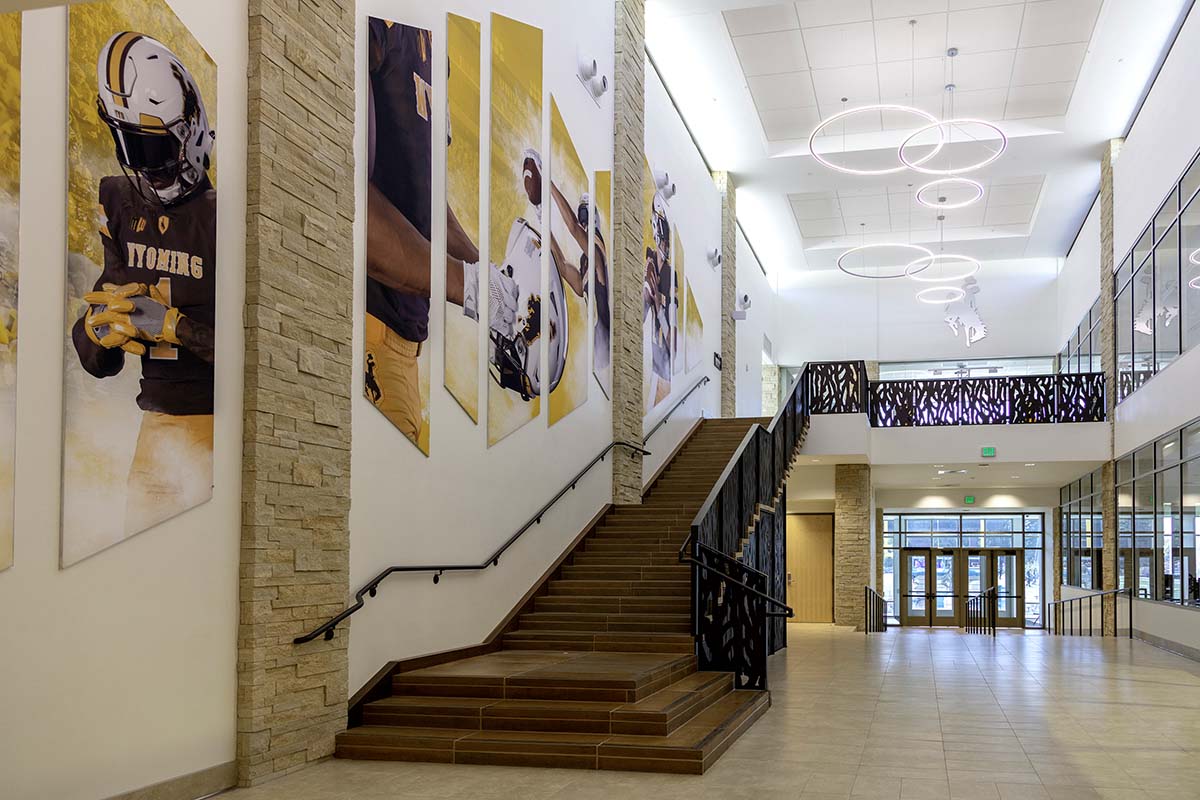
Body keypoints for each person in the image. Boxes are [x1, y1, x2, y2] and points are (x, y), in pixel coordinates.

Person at [72, 32, 216, 533]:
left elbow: (261, 355)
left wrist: (175, 327)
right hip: (153, 431)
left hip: (220, 432)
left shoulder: (225, 215)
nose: (142, 164)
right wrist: (98, 333)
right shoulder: (120, 201)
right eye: (128, 143)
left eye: (153, 146)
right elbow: (95, 352)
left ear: (190, 130)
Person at [365, 18, 479, 445]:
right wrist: (469, 284)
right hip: (372, 326)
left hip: (407, 340)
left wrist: (488, 272)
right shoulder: (386, 23)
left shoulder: (434, 48)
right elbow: (351, 193)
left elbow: (428, 196)